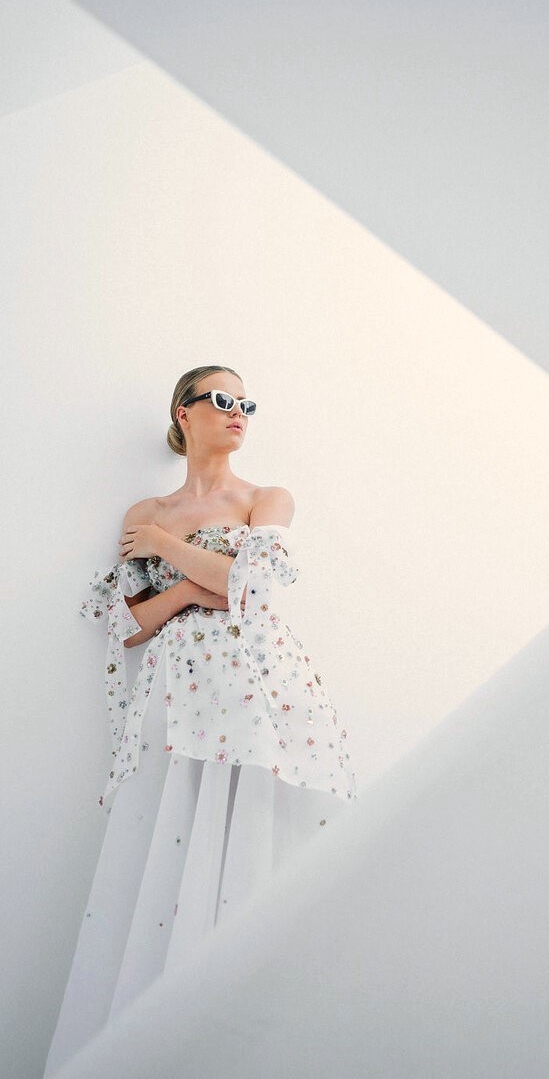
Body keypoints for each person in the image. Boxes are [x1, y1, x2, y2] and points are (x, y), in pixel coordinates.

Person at [44, 365, 357, 1076]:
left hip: (254, 686)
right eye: (222, 399)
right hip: (174, 697)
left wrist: (173, 563)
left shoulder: (266, 497)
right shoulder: (142, 511)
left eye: (247, 402)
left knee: (252, 843)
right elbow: (126, 627)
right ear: (184, 414)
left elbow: (255, 588)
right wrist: (201, 584)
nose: (239, 411)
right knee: (173, 845)